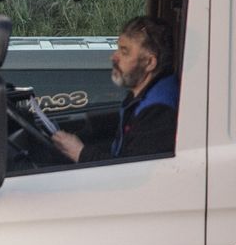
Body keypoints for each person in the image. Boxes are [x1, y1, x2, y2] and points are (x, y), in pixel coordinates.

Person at [51, 16, 179, 163]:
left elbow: (131, 172)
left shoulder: (159, 111)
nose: (113, 57)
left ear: (149, 63)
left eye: (124, 52)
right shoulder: (145, 94)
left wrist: (80, 152)